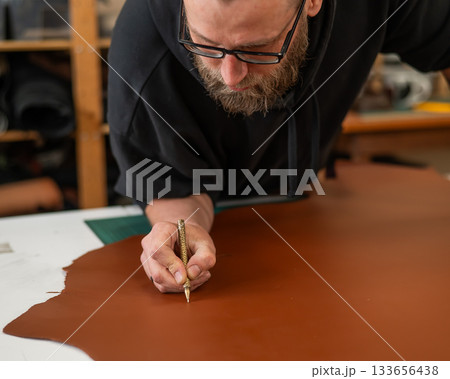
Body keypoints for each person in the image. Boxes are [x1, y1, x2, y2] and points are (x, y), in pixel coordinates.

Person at [108, 0, 450, 294]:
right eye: (206, 45)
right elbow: (174, 184)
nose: (231, 76)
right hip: (217, 218)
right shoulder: (143, 48)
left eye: (258, 48)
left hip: (308, 219)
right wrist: (183, 228)